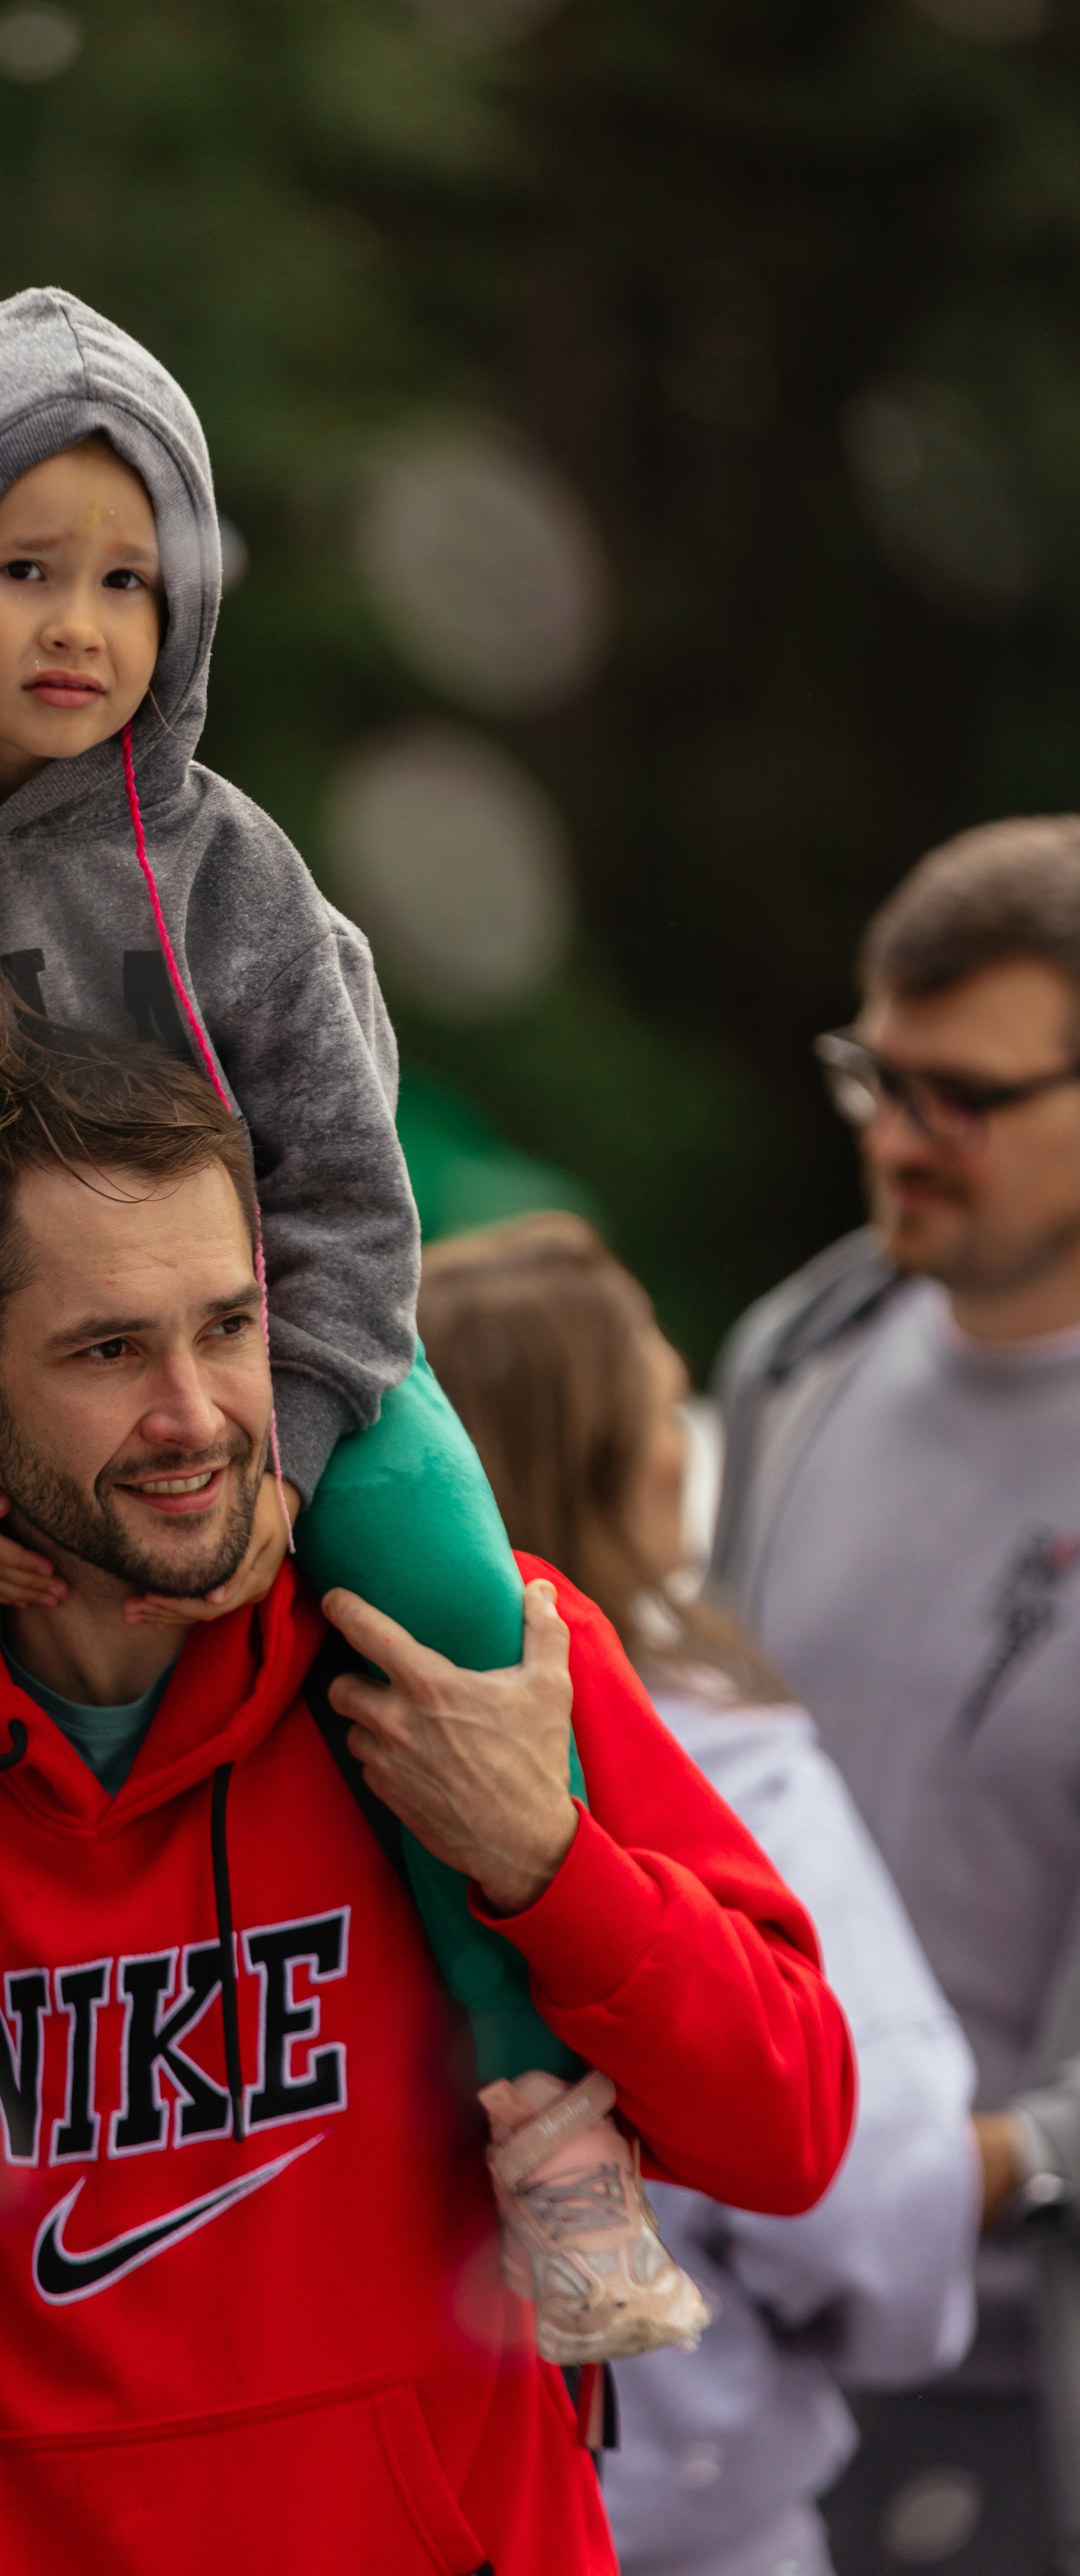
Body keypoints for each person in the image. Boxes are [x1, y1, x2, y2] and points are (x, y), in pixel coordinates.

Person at [0, 283, 703, 2460]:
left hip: (290, 1384)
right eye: (25, 569)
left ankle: (544, 2124)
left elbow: (350, 1193)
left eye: (128, 578)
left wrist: (291, 1450)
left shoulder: (230, 873)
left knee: (455, 1608)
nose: (82, 626)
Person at [0, 1040, 854, 2576]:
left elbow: (793, 2132)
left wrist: (548, 1861)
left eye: (228, 1327)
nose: (194, 1415)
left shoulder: (478, 1662)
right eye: (107, 1350)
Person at [419, 1212, 979, 2576]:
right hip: (683, 2518)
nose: (684, 1440)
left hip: (412, 2508)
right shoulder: (728, 1770)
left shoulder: (324, 1759)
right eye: (658, 1402)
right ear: (605, 1454)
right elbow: (873, 2193)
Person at [709, 817, 1080, 2574]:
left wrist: (981, 2164)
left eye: (963, 1098)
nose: (895, 1138)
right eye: (876, 1074)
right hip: (752, 2362)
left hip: (1027, 2393)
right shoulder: (792, 1365)